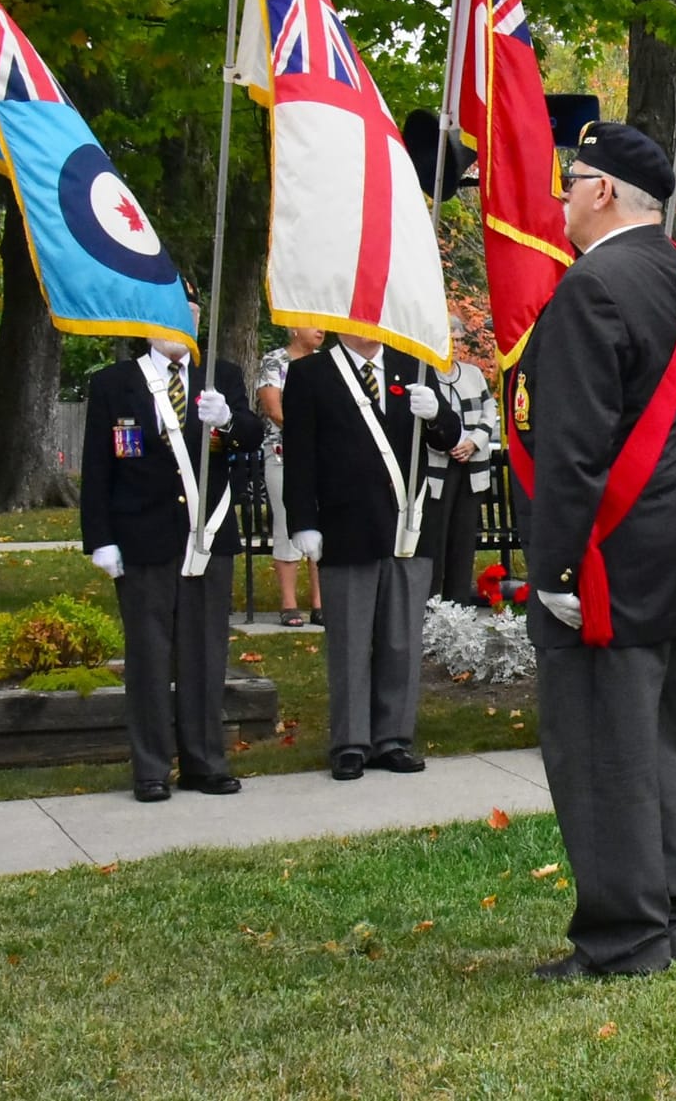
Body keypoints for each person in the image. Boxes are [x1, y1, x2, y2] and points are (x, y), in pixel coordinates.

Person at [523, 121, 676, 980]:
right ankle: (666, 918)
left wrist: (556, 569)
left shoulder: (592, 287)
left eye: (572, 180)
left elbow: (571, 448)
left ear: (603, 190)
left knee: (605, 755)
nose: (562, 197)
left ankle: (622, 939)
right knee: (667, 749)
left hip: (609, 555)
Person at [81, 291, 263, 802]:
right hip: (143, 538)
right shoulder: (116, 384)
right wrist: (100, 539)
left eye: (187, 316)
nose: (175, 325)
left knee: (204, 655)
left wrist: (227, 418)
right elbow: (98, 467)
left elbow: (251, 434)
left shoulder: (219, 376)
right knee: (150, 657)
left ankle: (205, 762)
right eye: (163, 316)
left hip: (207, 536)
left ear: (197, 323)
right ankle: (152, 768)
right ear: (144, 324)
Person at [281, 330, 461, 779]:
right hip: (347, 527)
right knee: (350, 642)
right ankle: (350, 743)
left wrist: (438, 414)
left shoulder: (413, 366)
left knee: (401, 640)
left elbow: (448, 439)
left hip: (407, 528)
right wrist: (303, 519)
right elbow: (300, 455)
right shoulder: (311, 373)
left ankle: (393, 738)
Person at [420, 328, 499, 603]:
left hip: (471, 468)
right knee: (435, 541)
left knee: (463, 541)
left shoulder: (473, 374)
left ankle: (459, 607)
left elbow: (490, 410)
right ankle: (432, 606)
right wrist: (446, 444)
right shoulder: (424, 376)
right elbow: (417, 424)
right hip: (438, 471)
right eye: (448, 339)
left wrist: (474, 442)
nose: (453, 345)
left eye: (456, 340)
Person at [257, 325, 326, 626]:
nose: (321, 330)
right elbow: (273, 409)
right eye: (313, 323)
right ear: (294, 328)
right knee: (288, 521)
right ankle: (288, 604)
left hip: (324, 456)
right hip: (284, 454)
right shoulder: (275, 362)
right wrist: (307, 433)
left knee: (323, 522)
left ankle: (320, 603)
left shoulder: (328, 363)